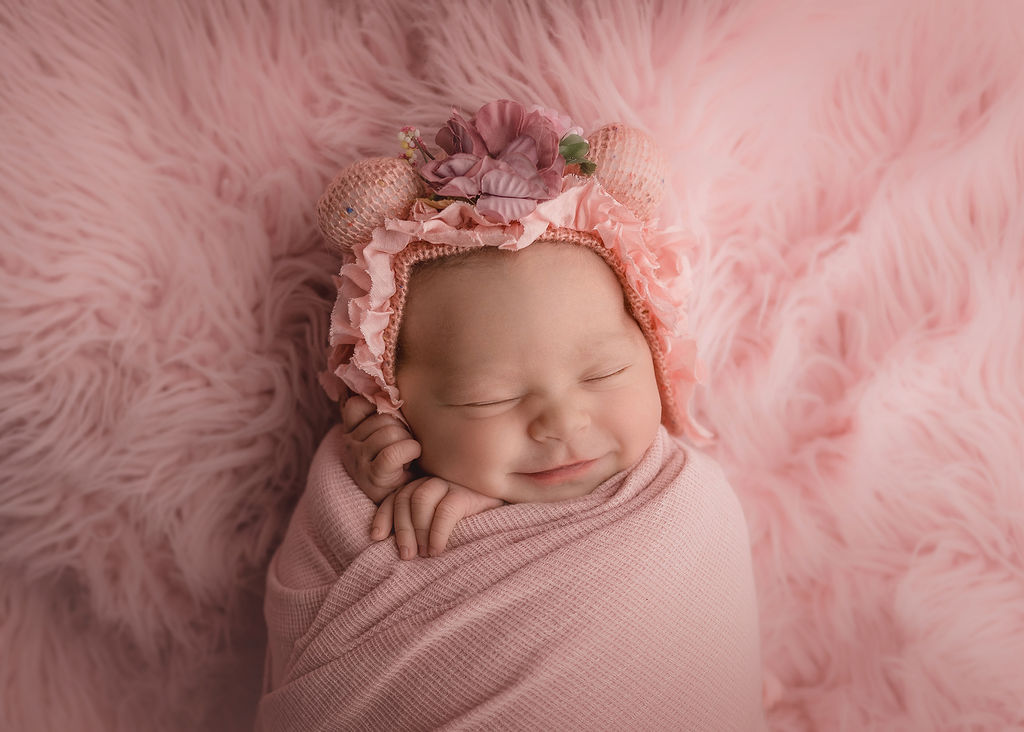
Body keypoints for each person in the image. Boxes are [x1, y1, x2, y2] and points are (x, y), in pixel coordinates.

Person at [257, 100, 767, 731]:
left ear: (657, 359)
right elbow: (313, 618)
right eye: (487, 399)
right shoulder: (369, 491)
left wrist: (499, 514)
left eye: (604, 374)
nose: (561, 422)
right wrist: (385, 492)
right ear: (394, 404)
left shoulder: (687, 513)